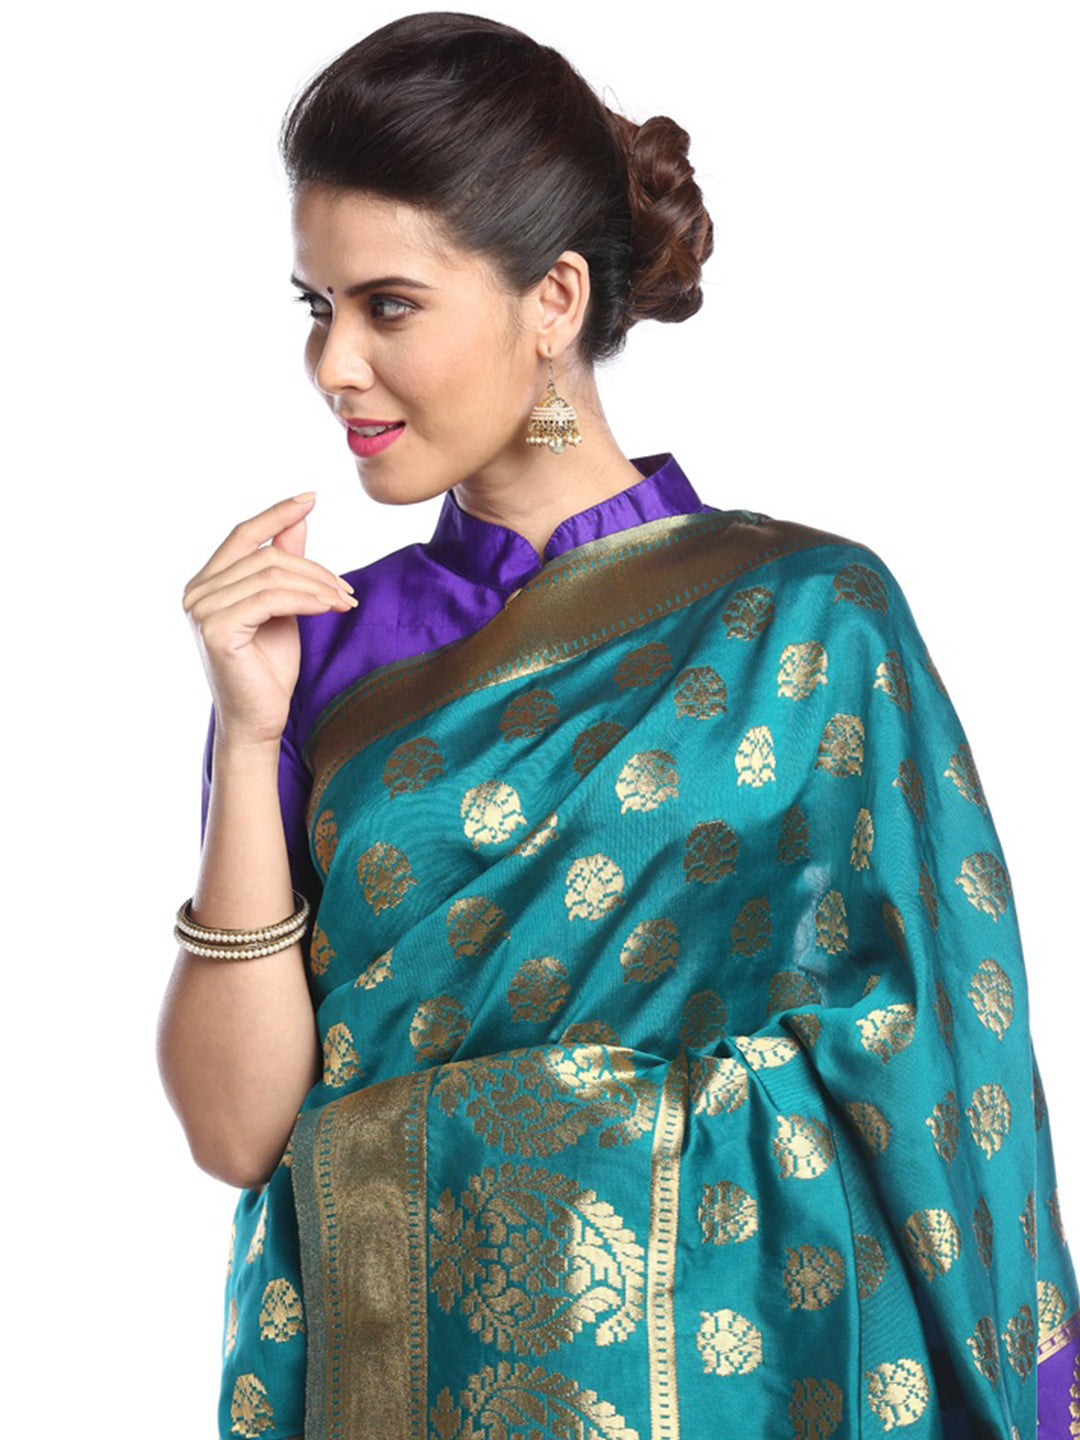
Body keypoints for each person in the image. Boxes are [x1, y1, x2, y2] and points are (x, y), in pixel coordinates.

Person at [156, 13, 1078, 1439]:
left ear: (554, 298)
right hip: (389, 1382)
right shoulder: (318, 649)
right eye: (315, 308)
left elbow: (943, 1064)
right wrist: (245, 736)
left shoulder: (808, 617)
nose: (334, 364)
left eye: (387, 307)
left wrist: (577, 1131)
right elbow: (237, 1136)